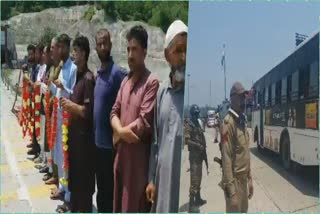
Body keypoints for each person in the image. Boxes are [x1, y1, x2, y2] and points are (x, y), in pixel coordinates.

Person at [110, 25, 159, 212]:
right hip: (121, 159)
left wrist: (118, 133)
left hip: (137, 165)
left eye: (135, 49)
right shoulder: (124, 81)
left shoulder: (151, 82)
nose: (130, 55)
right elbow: (113, 112)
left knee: (133, 206)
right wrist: (122, 132)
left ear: (144, 52)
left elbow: (143, 122)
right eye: (128, 49)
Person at [146, 20, 187, 212]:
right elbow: (155, 142)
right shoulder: (161, 93)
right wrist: (151, 180)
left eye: (188, 50)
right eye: (179, 50)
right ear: (166, 55)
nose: (184, 56)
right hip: (161, 189)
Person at [60, 35, 96, 212]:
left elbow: (87, 112)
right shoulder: (77, 78)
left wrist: (71, 106)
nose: (73, 54)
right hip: (74, 143)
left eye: (76, 51)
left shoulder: (89, 78)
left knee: (83, 191)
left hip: (84, 146)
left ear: (84, 53)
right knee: (74, 186)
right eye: (73, 50)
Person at [94, 28, 126, 212]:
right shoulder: (99, 73)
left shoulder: (117, 74)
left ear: (111, 45)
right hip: (98, 146)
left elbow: (125, 104)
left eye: (106, 43)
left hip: (110, 148)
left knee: (111, 194)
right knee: (101, 193)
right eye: (99, 44)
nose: (103, 46)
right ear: (96, 48)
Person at [48, 34, 77, 213]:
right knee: (59, 155)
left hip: (68, 119)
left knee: (67, 158)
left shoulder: (73, 68)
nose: (56, 51)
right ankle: (62, 188)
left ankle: (69, 197)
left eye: (58, 47)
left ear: (65, 48)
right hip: (59, 117)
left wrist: (62, 87)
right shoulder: (61, 67)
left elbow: (73, 93)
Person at [220, 82, 253, 213]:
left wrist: (250, 179)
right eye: (240, 97)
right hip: (234, 182)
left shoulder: (241, 121)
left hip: (243, 181)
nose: (243, 101)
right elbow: (226, 158)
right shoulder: (229, 123)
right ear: (232, 98)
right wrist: (232, 193)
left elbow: (245, 153)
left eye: (244, 98)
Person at [44, 37, 63, 186]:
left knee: (58, 147)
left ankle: (58, 179)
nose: (51, 51)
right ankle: (54, 173)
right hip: (50, 109)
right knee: (52, 144)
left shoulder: (62, 67)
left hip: (59, 112)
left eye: (52, 48)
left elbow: (59, 90)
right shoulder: (53, 67)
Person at [184, 104, 207, 212]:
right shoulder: (189, 125)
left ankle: (197, 198)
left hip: (200, 156)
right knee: (194, 180)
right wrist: (198, 145)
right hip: (193, 157)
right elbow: (187, 140)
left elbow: (201, 136)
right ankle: (192, 204)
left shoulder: (197, 123)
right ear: (192, 114)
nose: (197, 115)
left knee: (199, 178)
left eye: (198, 113)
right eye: (195, 113)